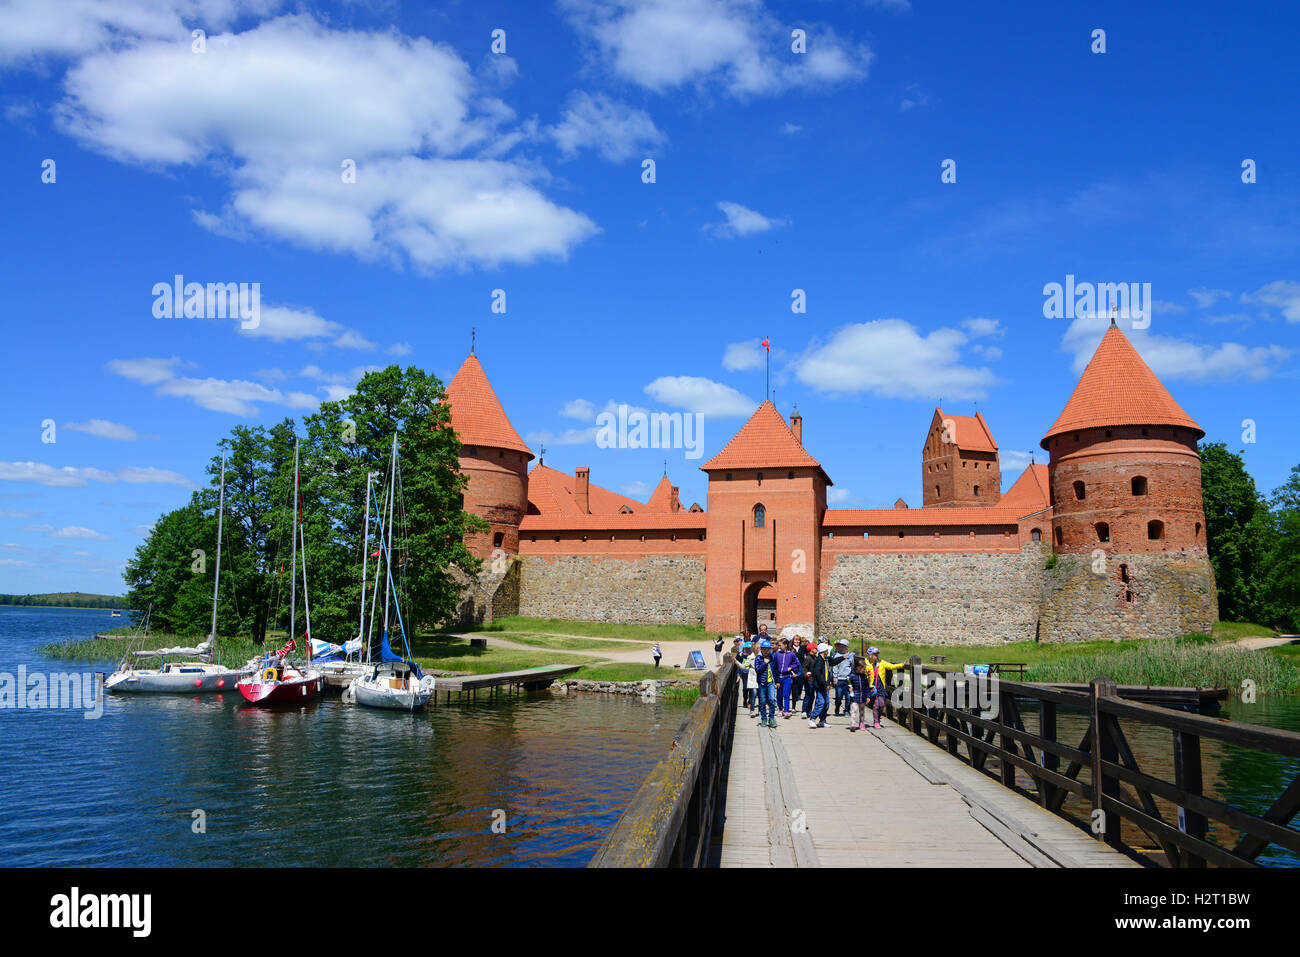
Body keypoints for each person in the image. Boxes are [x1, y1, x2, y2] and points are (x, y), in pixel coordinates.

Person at [864, 646, 906, 729]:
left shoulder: (882, 663)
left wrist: (901, 665)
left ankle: (878, 718)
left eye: (877, 654)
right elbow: (863, 675)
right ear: (870, 655)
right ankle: (876, 722)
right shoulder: (866, 664)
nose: (877, 656)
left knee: (882, 704)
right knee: (876, 705)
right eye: (875, 654)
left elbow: (891, 666)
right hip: (872, 688)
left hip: (881, 687)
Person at [773, 638, 800, 719]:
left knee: (786, 694)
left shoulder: (791, 654)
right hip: (779, 678)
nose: (779, 647)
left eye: (780, 645)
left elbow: (797, 664)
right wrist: (776, 680)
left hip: (787, 678)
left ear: (785, 645)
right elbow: (774, 667)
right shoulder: (777, 654)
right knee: (779, 695)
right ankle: (780, 710)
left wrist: (790, 667)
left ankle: (787, 711)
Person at [805, 642, 830, 728]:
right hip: (820, 686)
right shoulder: (819, 661)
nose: (828, 651)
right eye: (827, 649)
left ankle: (822, 720)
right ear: (824, 650)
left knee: (826, 704)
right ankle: (812, 719)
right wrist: (825, 684)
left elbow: (833, 662)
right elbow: (819, 675)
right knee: (821, 703)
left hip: (825, 685)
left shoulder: (825, 659)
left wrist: (843, 657)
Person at [752, 640, 777, 727]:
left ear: (770, 650)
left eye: (768, 649)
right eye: (764, 649)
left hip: (771, 683)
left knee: (772, 700)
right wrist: (765, 663)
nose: (766, 651)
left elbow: (775, 670)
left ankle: (772, 718)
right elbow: (757, 670)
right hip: (762, 683)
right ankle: (763, 718)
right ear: (761, 650)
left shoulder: (773, 658)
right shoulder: (758, 658)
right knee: (762, 701)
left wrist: (777, 681)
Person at [829, 639, 854, 717]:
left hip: (847, 679)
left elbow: (852, 666)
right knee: (839, 696)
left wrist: (851, 677)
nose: (841, 648)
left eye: (843, 646)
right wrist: (835, 678)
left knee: (848, 696)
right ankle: (837, 706)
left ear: (846, 647)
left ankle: (847, 710)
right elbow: (835, 668)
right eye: (840, 646)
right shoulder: (837, 656)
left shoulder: (850, 656)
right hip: (839, 679)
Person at [847, 657, 871, 731]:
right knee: (853, 710)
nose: (864, 670)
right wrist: (849, 688)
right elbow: (847, 685)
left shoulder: (864, 677)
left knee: (862, 711)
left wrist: (868, 696)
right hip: (854, 697)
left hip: (863, 697)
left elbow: (867, 687)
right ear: (858, 668)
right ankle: (852, 724)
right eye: (863, 669)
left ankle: (862, 723)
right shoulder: (852, 676)